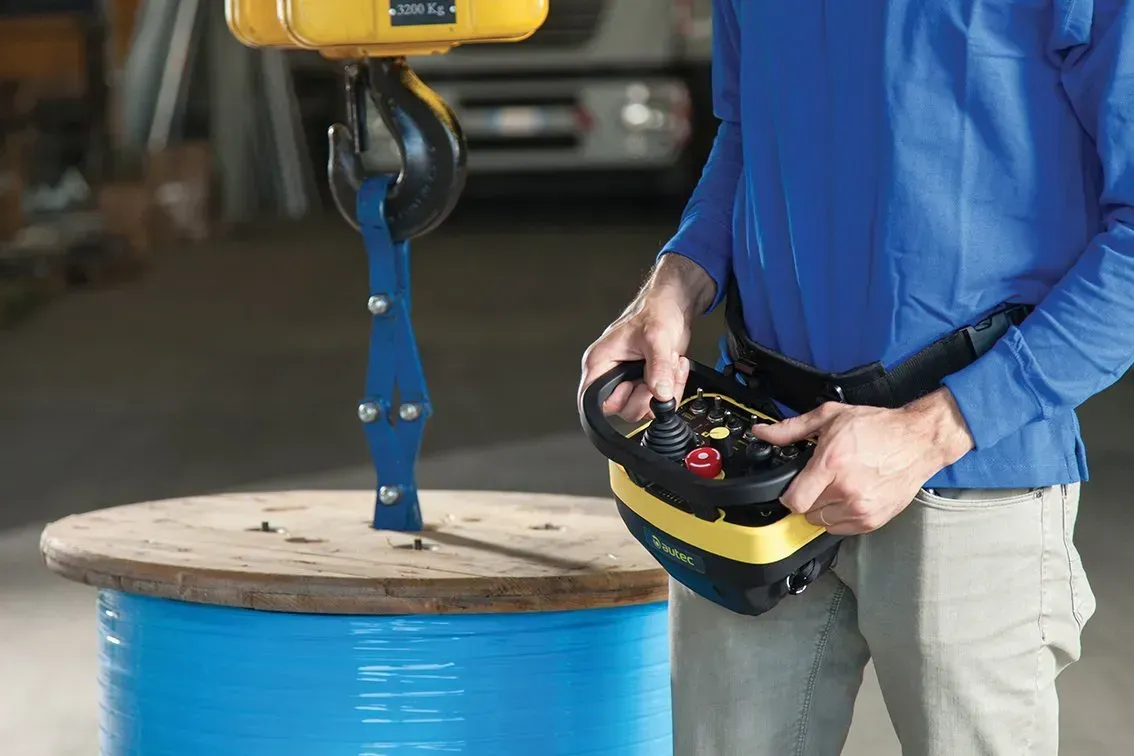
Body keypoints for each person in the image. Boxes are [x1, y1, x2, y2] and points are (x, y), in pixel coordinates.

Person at [578, 1, 1132, 754]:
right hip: (757, 463)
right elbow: (750, 134)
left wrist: (936, 429)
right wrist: (676, 281)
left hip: (972, 469)